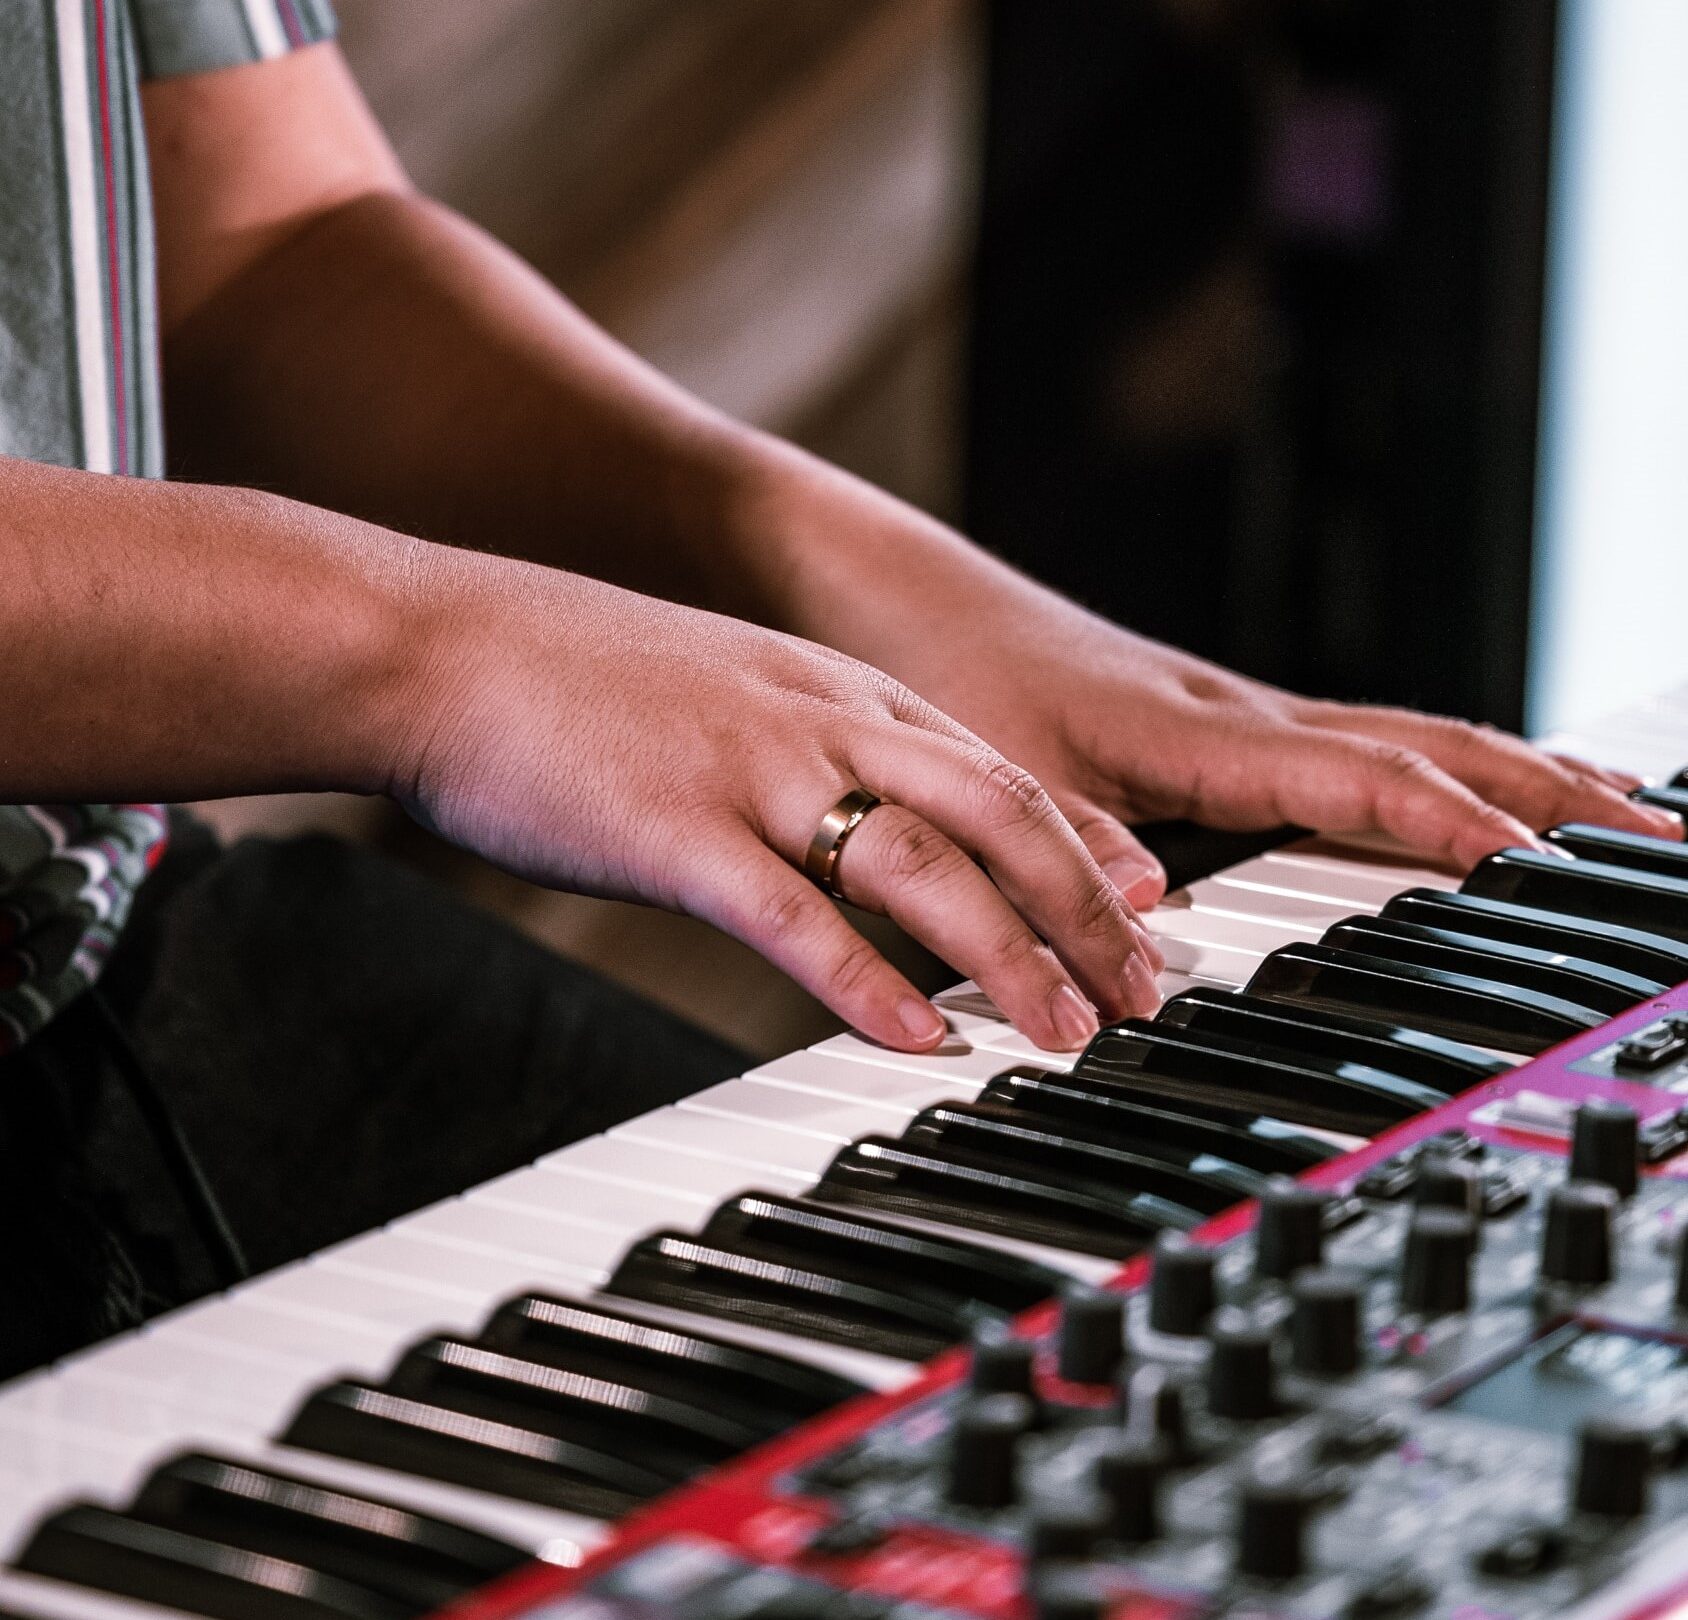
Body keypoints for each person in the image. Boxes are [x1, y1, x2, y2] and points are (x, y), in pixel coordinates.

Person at [0, 2, 1671, 1378]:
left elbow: (252, 247)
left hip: (87, 939)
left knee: (1191, 1373)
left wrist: (840, 568)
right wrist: (434, 653)